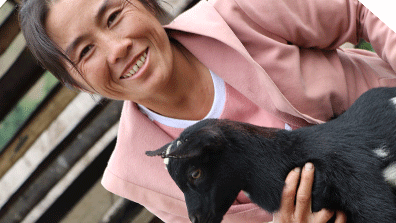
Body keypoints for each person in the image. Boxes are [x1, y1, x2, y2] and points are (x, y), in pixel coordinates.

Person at [18, 0, 396, 221]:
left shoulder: (235, 14)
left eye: (114, 16)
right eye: (85, 52)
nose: (116, 48)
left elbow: (360, 7)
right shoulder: (137, 172)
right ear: (75, 82)